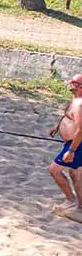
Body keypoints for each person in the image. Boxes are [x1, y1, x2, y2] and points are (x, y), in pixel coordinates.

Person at [48, 73, 82, 215]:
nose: (70, 83)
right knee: (75, 173)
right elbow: (67, 115)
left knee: (54, 170)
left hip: (77, 144)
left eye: (74, 82)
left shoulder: (80, 105)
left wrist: (72, 151)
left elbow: (81, 130)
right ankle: (79, 205)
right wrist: (58, 126)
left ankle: (71, 199)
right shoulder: (74, 100)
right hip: (70, 143)